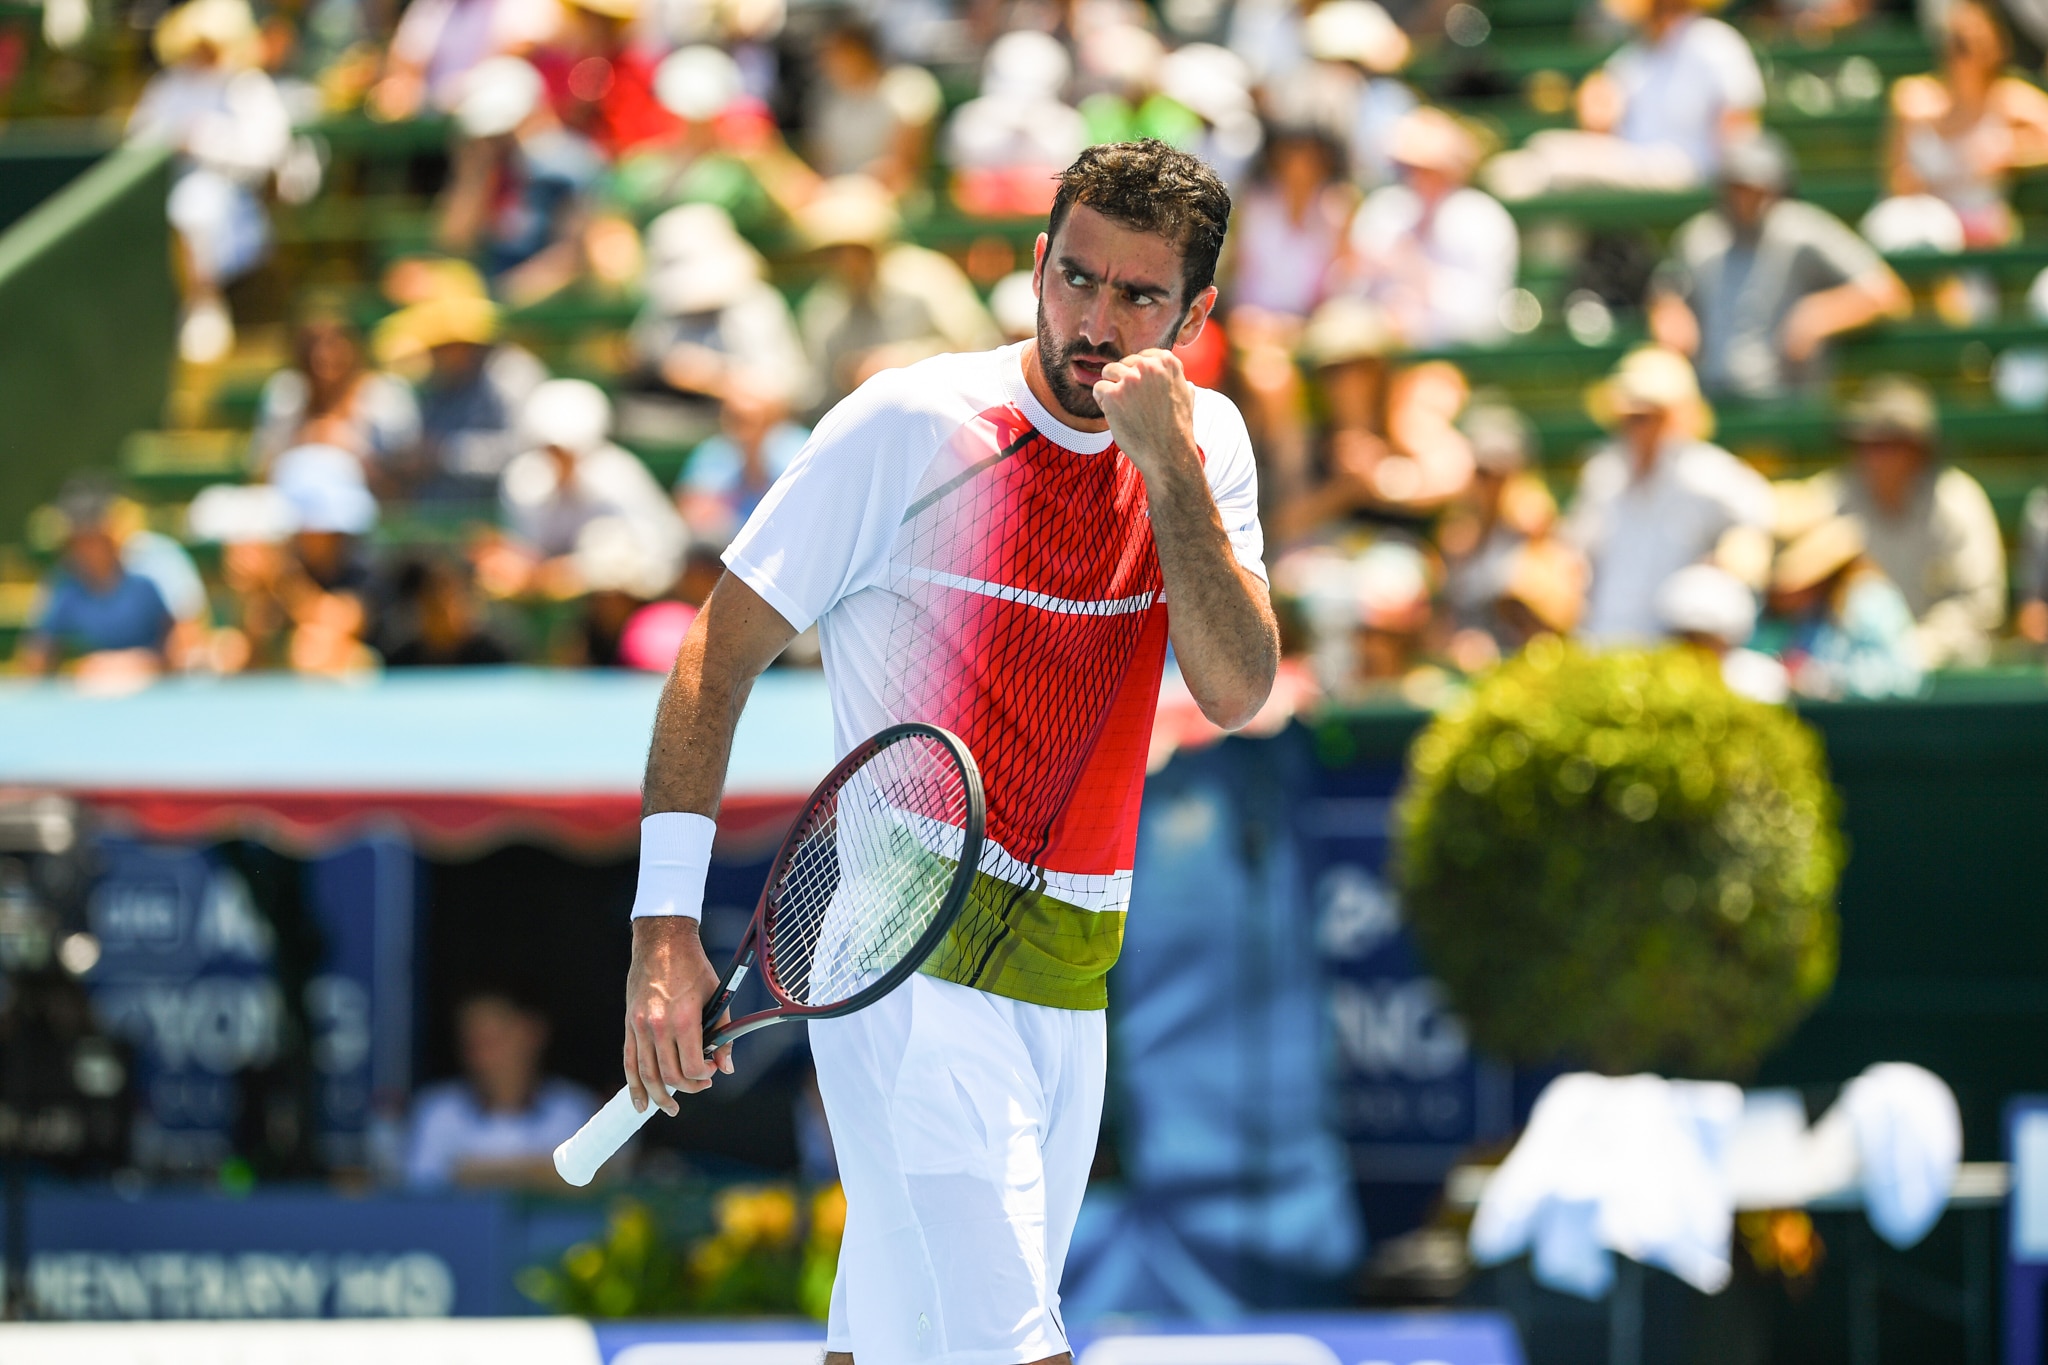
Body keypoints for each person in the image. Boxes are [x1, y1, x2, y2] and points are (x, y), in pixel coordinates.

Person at [616, 140, 1275, 1365]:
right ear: (1037, 264)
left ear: (1194, 315)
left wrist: (1169, 471)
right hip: (899, 938)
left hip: (1072, 958)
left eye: (1137, 297)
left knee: (896, 1335)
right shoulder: (907, 423)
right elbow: (716, 655)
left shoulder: (1205, 448)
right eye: (1075, 279)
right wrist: (663, 934)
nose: (1094, 321)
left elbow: (1235, 687)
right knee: (1012, 1340)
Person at [1650, 135, 1909, 404]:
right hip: (1710, 397)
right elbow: (1667, 289)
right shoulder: (1700, 236)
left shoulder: (1802, 229)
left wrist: (1822, 314)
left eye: (1756, 188)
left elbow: (1886, 292)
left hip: (1785, 397)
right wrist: (1669, 307)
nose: (1746, 199)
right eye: (1738, 187)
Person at [1563, 346, 1773, 644]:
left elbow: (1757, 512)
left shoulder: (1706, 472)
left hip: (1673, 649)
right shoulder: (1603, 473)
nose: (1633, 427)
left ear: (1672, 417)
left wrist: (1730, 556)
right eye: (1628, 417)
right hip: (1599, 643)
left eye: (1645, 417)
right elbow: (1576, 549)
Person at [127, 0, 291, 364]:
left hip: (235, 198)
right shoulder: (169, 85)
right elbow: (137, 140)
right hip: (163, 195)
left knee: (197, 203)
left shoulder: (247, 86)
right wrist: (172, 144)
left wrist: (203, 142)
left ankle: (203, 303)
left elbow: (266, 153)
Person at [1805, 374, 2005, 668]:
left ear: (1917, 449)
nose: (1871, 457)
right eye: (1862, 444)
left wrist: (1914, 648)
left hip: (1947, 678)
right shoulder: (1831, 499)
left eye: (1886, 444)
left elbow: (1980, 607)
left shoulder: (1957, 502)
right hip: (1849, 671)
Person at [1483, 0, 1762, 198]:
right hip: (1637, 165)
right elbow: (1601, 115)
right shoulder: (1638, 54)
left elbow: (1739, 125)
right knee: (1538, 156)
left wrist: (1730, 186)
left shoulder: (1715, 43)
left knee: (1546, 161)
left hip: (1693, 172)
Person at [795, 175, 1002, 418]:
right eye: (834, 251)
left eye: (854, 249)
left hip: (943, 419)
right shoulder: (824, 309)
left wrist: (908, 362)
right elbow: (816, 397)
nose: (845, 261)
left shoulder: (925, 279)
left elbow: (983, 349)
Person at [489, 379, 687, 599]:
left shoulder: (617, 474)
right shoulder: (524, 480)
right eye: (550, 449)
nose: (558, 458)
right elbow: (526, 549)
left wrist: (584, 571)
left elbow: (656, 553)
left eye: (566, 451)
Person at [1340, 106, 1518, 350]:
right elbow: (1349, 293)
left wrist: (1421, 279)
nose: (1415, 177)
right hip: (1378, 356)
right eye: (1405, 167)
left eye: (1426, 169)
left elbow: (1487, 317)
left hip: (1454, 355)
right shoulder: (1383, 210)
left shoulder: (1483, 219)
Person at [1881, 0, 2048, 248]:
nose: (1965, 52)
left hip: (1980, 228)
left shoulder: (2011, 98)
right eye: (1958, 41)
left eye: (1974, 42)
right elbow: (1896, 179)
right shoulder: (1913, 98)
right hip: (1921, 222)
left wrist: (2013, 154)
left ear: (1996, 46)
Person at [406, 988, 594, 1188]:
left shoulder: (573, 1110)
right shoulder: (438, 1112)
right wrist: (540, 1172)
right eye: (473, 1044)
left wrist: (474, 1172)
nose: (483, 1057)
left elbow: (597, 1183)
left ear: (532, 1035)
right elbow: (419, 1193)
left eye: (494, 1040)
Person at [376, 290, 550, 503]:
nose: (434, 356)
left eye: (440, 349)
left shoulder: (510, 373)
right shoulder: (444, 383)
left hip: (508, 509)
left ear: (461, 345)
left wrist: (446, 454)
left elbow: (525, 451)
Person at [17, 481, 175, 678]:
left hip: (154, 693)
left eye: (93, 539)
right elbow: (37, 655)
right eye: (79, 541)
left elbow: (180, 651)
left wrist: (139, 665)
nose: (87, 551)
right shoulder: (62, 586)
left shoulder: (149, 574)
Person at [1757, 513, 1922, 698]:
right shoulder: (1798, 612)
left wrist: (1821, 680)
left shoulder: (1868, 600)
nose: (1782, 594)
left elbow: (1903, 677)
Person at [254, 316, 422, 473]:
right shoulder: (288, 391)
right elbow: (264, 467)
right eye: (312, 346)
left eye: (332, 344)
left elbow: (405, 469)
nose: (322, 355)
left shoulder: (385, 393)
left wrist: (348, 447)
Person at [1655, 561, 1789, 702]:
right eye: (1688, 637)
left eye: (1706, 639)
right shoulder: (1661, 672)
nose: (1697, 649)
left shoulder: (1758, 680)